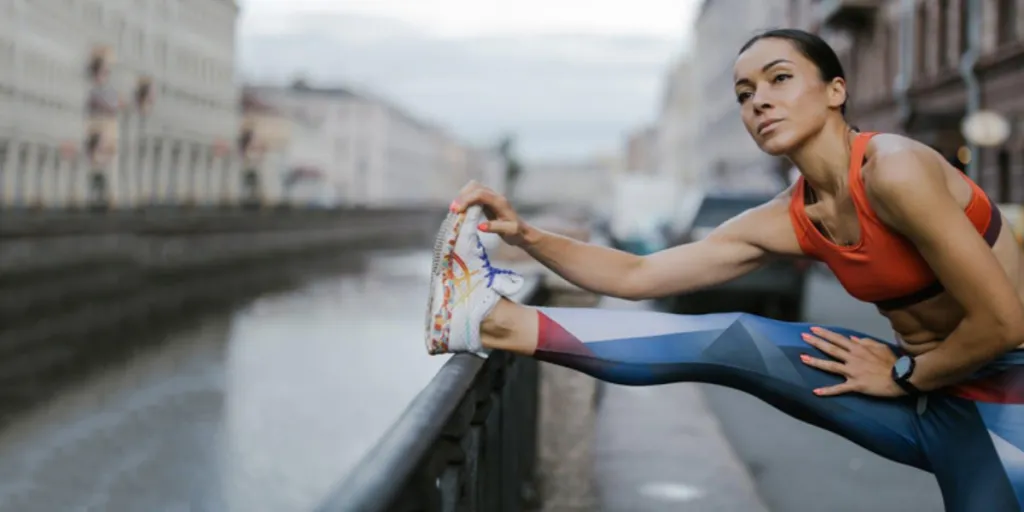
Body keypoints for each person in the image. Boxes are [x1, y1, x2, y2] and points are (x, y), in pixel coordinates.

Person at [424, 28, 1024, 511]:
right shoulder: (789, 216)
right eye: (743, 93)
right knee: (734, 339)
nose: (758, 100)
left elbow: (1004, 324)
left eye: (780, 79)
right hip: (925, 394)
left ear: (835, 91)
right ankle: (488, 321)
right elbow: (637, 276)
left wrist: (902, 374)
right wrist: (527, 235)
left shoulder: (894, 169)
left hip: (1005, 409)